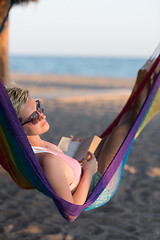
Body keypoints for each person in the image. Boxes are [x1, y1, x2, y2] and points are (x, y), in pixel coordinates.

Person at [6, 59, 159, 205]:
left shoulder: (35, 145)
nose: (42, 115)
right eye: (34, 116)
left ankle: (147, 81)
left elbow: (61, 167)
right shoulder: (47, 160)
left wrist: (71, 148)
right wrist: (90, 172)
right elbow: (72, 211)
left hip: (85, 165)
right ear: (17, 127)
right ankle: (150, 82)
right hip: (95, 185)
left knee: (119, 127)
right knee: (123, 129)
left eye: (38, 106)